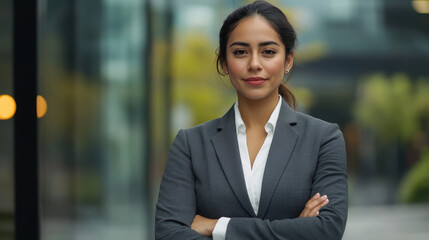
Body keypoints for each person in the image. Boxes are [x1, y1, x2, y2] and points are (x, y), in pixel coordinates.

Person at [155, 1, 348, 239]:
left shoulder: (323, 139)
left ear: (288, 60)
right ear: (224, 62)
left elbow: (327, 230)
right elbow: (169, 234)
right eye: (240, 52)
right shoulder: (191, 145)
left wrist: (218, 227)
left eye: (268, 52)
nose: (254, 64)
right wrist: (295, 229)